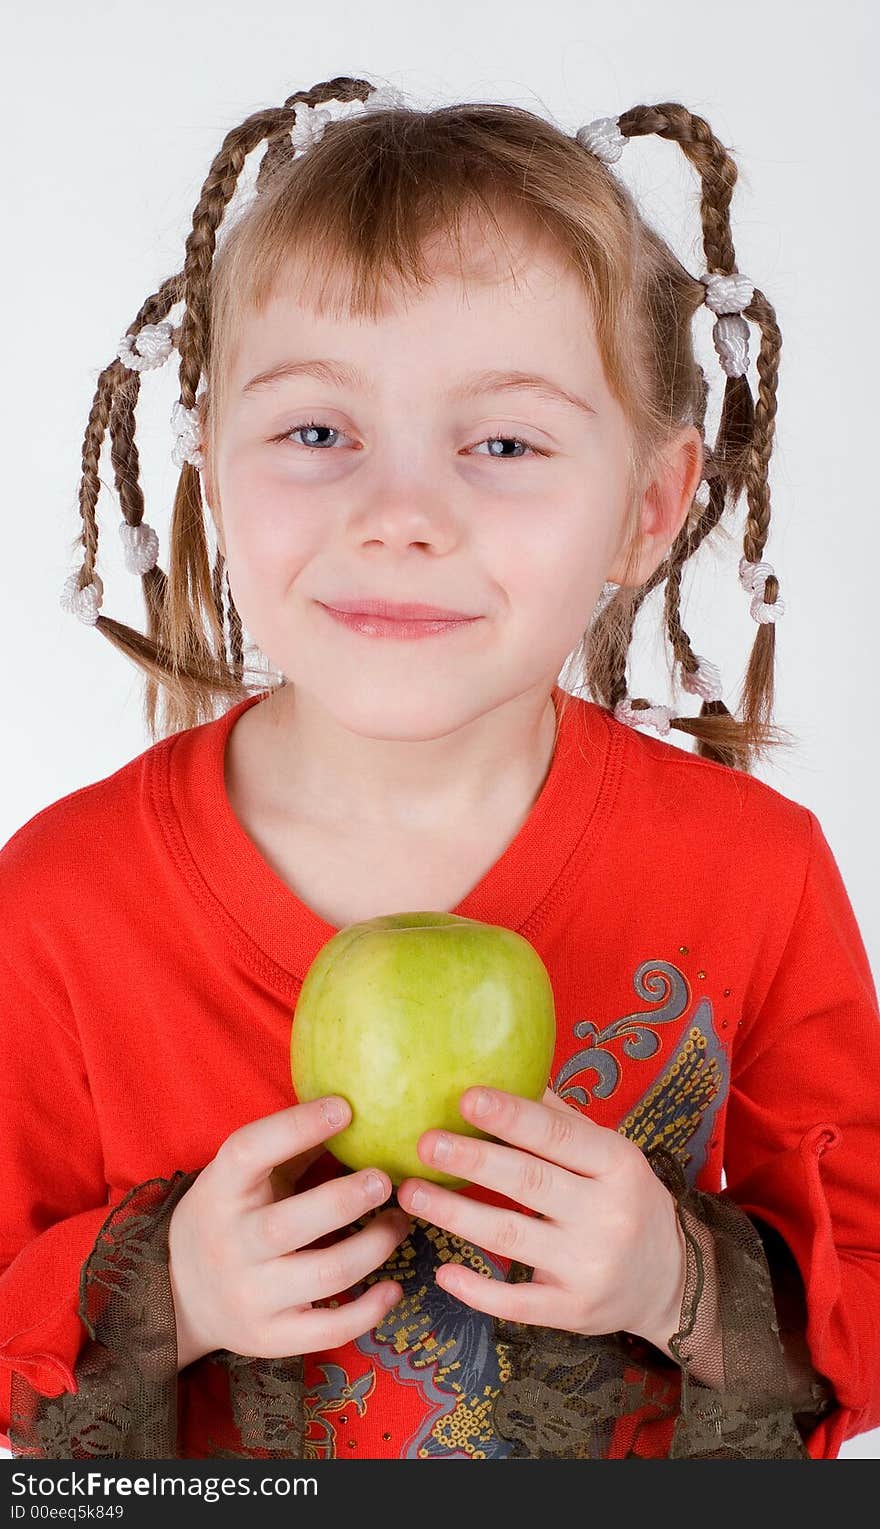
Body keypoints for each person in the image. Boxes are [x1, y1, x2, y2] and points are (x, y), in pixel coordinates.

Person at [1, 77, 878, 1463]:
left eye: (505, 444)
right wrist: (168, 1293)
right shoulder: (60, 897)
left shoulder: (758, 871)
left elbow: (867, 1293)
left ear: (647, 508)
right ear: (217, 473)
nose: (400, 513)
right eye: (315, 433)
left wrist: (678, 1281)